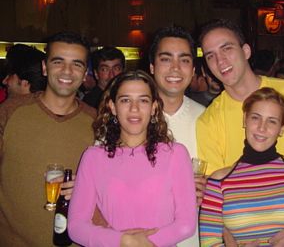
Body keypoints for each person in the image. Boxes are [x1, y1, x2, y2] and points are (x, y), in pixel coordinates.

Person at [68, 70, 197, 247]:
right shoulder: (92, 157)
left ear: (154, 108)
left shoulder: (176, 154)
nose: (134, 108)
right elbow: (76, 227)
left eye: (143, 100)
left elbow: (186, 225)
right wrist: (124, 241)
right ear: (113, 106)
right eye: (125, 100)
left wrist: (144, 243)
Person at [0, 32, 96, 246]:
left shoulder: (98, 123)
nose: (67, 71)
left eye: (77, 64)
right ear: (45, 67)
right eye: (58, 62)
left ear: (84, 73)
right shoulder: (9, 112)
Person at [196, 19, 284, 175]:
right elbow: (217, 186)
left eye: (227, 49)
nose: (220, 61)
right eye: (211, 56)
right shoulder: (208, 121)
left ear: (246, 51)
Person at [200, 87, 284, 246]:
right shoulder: (219, 181)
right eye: (255, 118)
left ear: (282, 128)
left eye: (272, 121)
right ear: (245, 119)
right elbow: (208, 242)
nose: (262, 127)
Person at [148, 26, 205, 247]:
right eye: (165, 59)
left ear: (193, 70)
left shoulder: (208, 119)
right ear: (152, 67)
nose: (175, 68)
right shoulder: (129, 117)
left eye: (184, 60)